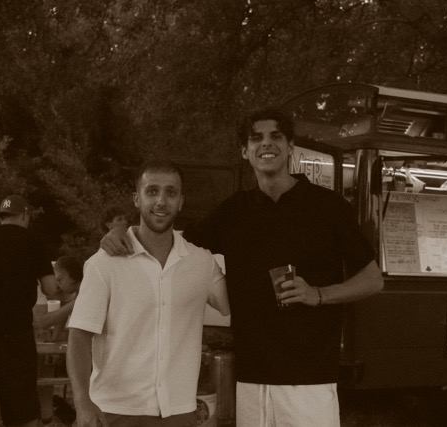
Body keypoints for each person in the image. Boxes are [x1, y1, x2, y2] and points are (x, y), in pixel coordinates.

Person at [101, 109, 384, 426]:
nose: (267, 144)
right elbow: (171, 241)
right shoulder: (234, 211)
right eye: (256, 138)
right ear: (245, 151)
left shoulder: (327, 206)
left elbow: (373, 280)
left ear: (291, 146)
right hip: (250, 377)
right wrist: (123, 231)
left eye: (276, 136)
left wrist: (317, 294)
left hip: (310, 378)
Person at [67, 159, 230, 427]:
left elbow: (234, 303)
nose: (161, 201)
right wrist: (82, 401)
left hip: (178, 412)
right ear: (136, 199)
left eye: (171, 192)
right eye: (152, 191)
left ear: (181, 202)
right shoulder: (104, 263)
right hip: (114, 411)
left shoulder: (201, 262)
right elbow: (79, 336)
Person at [0, 195, 58, 427]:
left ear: (1, 217)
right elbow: (50, 288)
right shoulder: (32, 241)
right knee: (21, 412)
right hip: (14, 333)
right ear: (25, 215)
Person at [34, 255, 83, 427]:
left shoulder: (65, 279)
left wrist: (53, 342)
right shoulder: (40, 279)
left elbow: (63, 311)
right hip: (19, 326)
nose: (74, 288)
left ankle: (47, 418)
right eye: (73, 284)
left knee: (47, 366)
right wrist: (77, 303)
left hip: (44, 331)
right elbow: (41, 321)